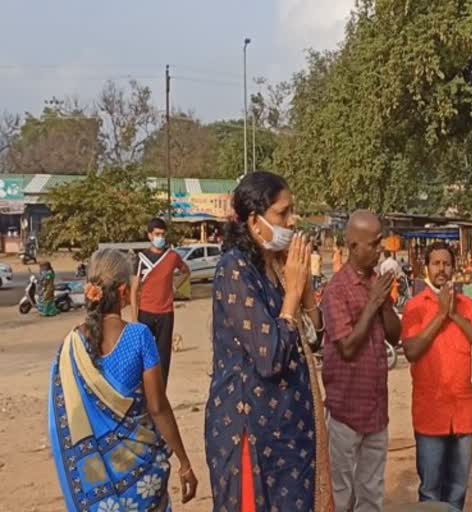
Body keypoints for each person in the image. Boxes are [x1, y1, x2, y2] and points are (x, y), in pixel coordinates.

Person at [204, 171, 333, 512]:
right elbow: (271, 357)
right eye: (283, 213)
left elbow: (314, 341)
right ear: (254, 220)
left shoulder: (276, 265)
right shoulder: (234, 270)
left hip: (291, 431)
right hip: (251, 432)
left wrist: (306, 296)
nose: (292, 221)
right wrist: (291, 294)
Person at [49, 249, 197, 512]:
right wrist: (185, 462)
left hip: (94, 477)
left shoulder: (72, 344)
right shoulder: (138, 336)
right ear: (122, 291)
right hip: (141, 473)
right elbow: (158, 407)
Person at [401, 242, 472, 511]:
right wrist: (441, 316)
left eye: (446, 263)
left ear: (454, 267)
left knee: (458, 490)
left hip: (462, 413)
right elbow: (411, 350)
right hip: (430, 414)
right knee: (430, 492)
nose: (442, 269)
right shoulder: (416, 307)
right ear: (426, 267)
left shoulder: (467, 305)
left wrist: (454, 314)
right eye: (436, 263)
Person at [322, 210, 402, 512]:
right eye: (375, 243)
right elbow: (347, 348)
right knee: (341, 495)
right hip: (346, 411)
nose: (380, 249)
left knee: (371, 492)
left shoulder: (377, 283)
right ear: (354, 245)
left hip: (376, 409)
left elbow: (395, 337)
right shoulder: (336, 291)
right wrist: (372, 303)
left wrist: (383, 304)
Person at [131, 217, 190, 385]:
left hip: (166, 313)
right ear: (150, 235)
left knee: (163, 357)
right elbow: (134, 290)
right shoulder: (141, 258)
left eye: (163, 234)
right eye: (157, 234)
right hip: (145, 312)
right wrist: (134, 320)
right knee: (143, 355)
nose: (160, 238)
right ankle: (143, 391)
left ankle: (160, 393)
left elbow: (185, 271)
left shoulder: (172, 257)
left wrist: (175, 287)